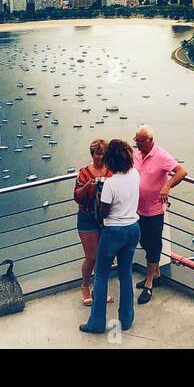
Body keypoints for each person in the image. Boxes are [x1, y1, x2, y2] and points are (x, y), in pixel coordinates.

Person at [80, 139, 141, 334]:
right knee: (126, 273)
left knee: (101, 274)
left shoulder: (110, 184)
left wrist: (98, 200)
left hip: (113, 231)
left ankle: (97, 322)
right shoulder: (135, 175)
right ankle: (127, 317)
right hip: (133, 228)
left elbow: (104, 212)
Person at [132, 125, 187, 305]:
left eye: (140, 141)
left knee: (154, 245)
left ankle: (149, 284)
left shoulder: (161, 155)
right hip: (137, 209)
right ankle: (156, 275)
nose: (137, 144)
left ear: (150, 140)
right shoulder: (136, 154)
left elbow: (182, 171)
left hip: (154, 211)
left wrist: (167, 185)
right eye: (136, 140)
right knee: (144, 242)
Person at [73, 139, 111, 306]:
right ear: (92, 154)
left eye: (103, 153)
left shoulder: (111, 171)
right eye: (97, 153)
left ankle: (100, 290)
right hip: (87, 217)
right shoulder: (84, 173)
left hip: (105, 217)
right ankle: (85, 286)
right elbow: (77, 196)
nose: (100, 156)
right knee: (91, 256)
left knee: (102, 256)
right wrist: (88, 186)